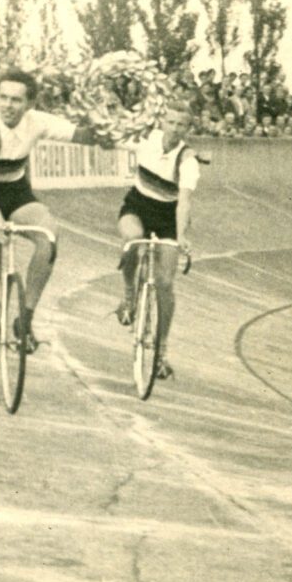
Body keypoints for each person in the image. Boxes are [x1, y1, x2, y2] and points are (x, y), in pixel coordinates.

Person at [0, 69, 104, 352]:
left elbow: (84, 136)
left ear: (30, 104)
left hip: (14, 191)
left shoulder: (38, 121)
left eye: (16, 100)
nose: (8, 106)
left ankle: (25, 320)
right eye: (3, 98)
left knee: (49, 236)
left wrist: (106, 125)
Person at [114, 103, 200, 381]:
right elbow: (113, 138)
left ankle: (161, 352)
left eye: (181, 125)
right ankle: (129, 296)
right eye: (171, 122)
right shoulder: (145, 139)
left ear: (188, 129)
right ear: (163, 122)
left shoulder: (188, 160)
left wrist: (181, 235)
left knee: (164, 283)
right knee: (132, 241)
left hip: (167, 217)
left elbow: (184, 202)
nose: (174, 129)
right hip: (137, 207)